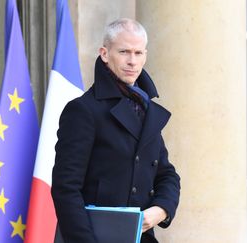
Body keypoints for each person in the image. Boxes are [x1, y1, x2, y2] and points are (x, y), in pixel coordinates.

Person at [51, 18, 181, 243]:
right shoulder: (82, 110)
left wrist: (161, 209)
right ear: (104, 54)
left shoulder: (146, 109)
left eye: (138, 53)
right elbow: (66, 189)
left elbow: (167, 174)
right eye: (124, 52)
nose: (132, 61)